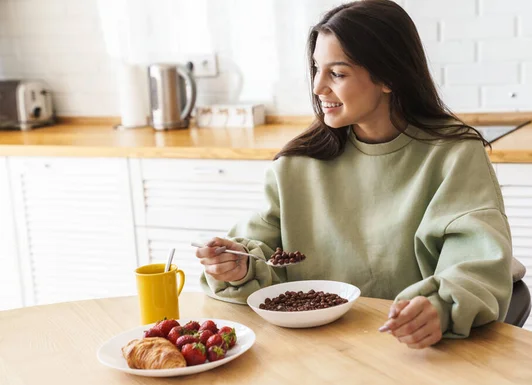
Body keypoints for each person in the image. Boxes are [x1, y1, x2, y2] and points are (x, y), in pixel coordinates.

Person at [195, 0, 513, 349]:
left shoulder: (453, 155)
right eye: (317, 69)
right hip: (311, 353)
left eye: (338, 73)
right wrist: (236, 267)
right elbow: (262, 257)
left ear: (389, 77)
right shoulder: (297, 165)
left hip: (415, 351)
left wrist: (440, 307)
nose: (318, 87)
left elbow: (475, 264)